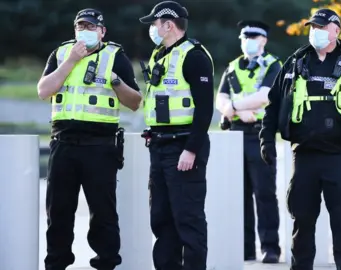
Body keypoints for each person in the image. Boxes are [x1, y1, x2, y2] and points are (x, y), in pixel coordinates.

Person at [259, 8, 341, 270]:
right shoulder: (295, 62)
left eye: (321, 27)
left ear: (336, 30)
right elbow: (273, 104)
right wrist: (266, 140)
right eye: (312, 27)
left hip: (338, 157)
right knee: (302, 225)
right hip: (303, 157)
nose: (315, 32)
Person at [37, 8, 142, 270]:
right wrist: (71, 61)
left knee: (103, 215)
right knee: (58, 212)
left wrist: (116, 82)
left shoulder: (115, 56)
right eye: (80, 27)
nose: (85, 31)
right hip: (63, 144)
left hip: (100, 147)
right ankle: (56, 264)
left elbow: (135, 102)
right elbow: (43, 91)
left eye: (91, 27)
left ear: (102, 31)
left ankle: (106, 264)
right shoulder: (61, 54)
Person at [138, 1, 214, 269]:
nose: (153, 29)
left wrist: (191, 149)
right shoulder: (160, 54)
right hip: (159, 146)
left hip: (183, 148)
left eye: (155, 24)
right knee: (161, 219)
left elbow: (205, 109)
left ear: (168, 24)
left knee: (188, 219)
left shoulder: (194, 56)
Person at [215, 20, 282, 263]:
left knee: (264, 194)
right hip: (234, 134)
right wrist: (233, 109)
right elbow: (219, 98)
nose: (247, 41)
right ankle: (245, 248)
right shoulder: (233, 66)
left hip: (260, 134)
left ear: (263, 40)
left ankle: (270, 248)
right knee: (238, 195)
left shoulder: (274, 65)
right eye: (244, 37)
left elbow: (265, 95)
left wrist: (232, 107)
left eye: (253, 37)